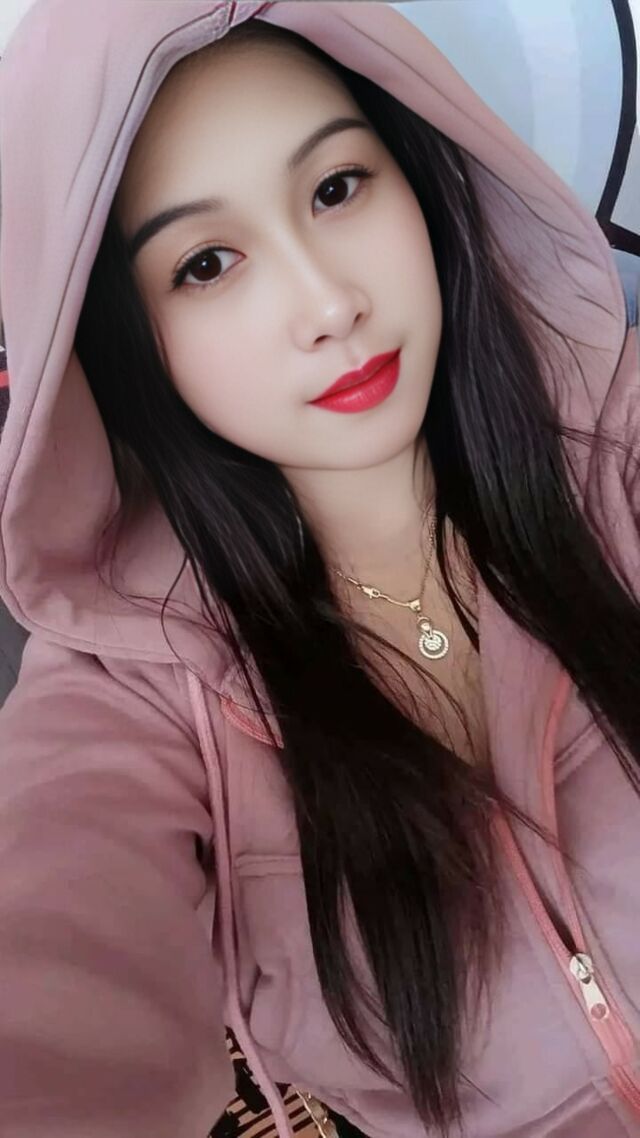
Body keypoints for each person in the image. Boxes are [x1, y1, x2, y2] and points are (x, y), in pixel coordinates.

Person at [0, 3, 639, 1136]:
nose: (328, 303)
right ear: (123, 340)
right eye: (207, 263)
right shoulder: (135, 688)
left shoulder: (616, 446)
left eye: (337, 188)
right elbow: (55, 965)